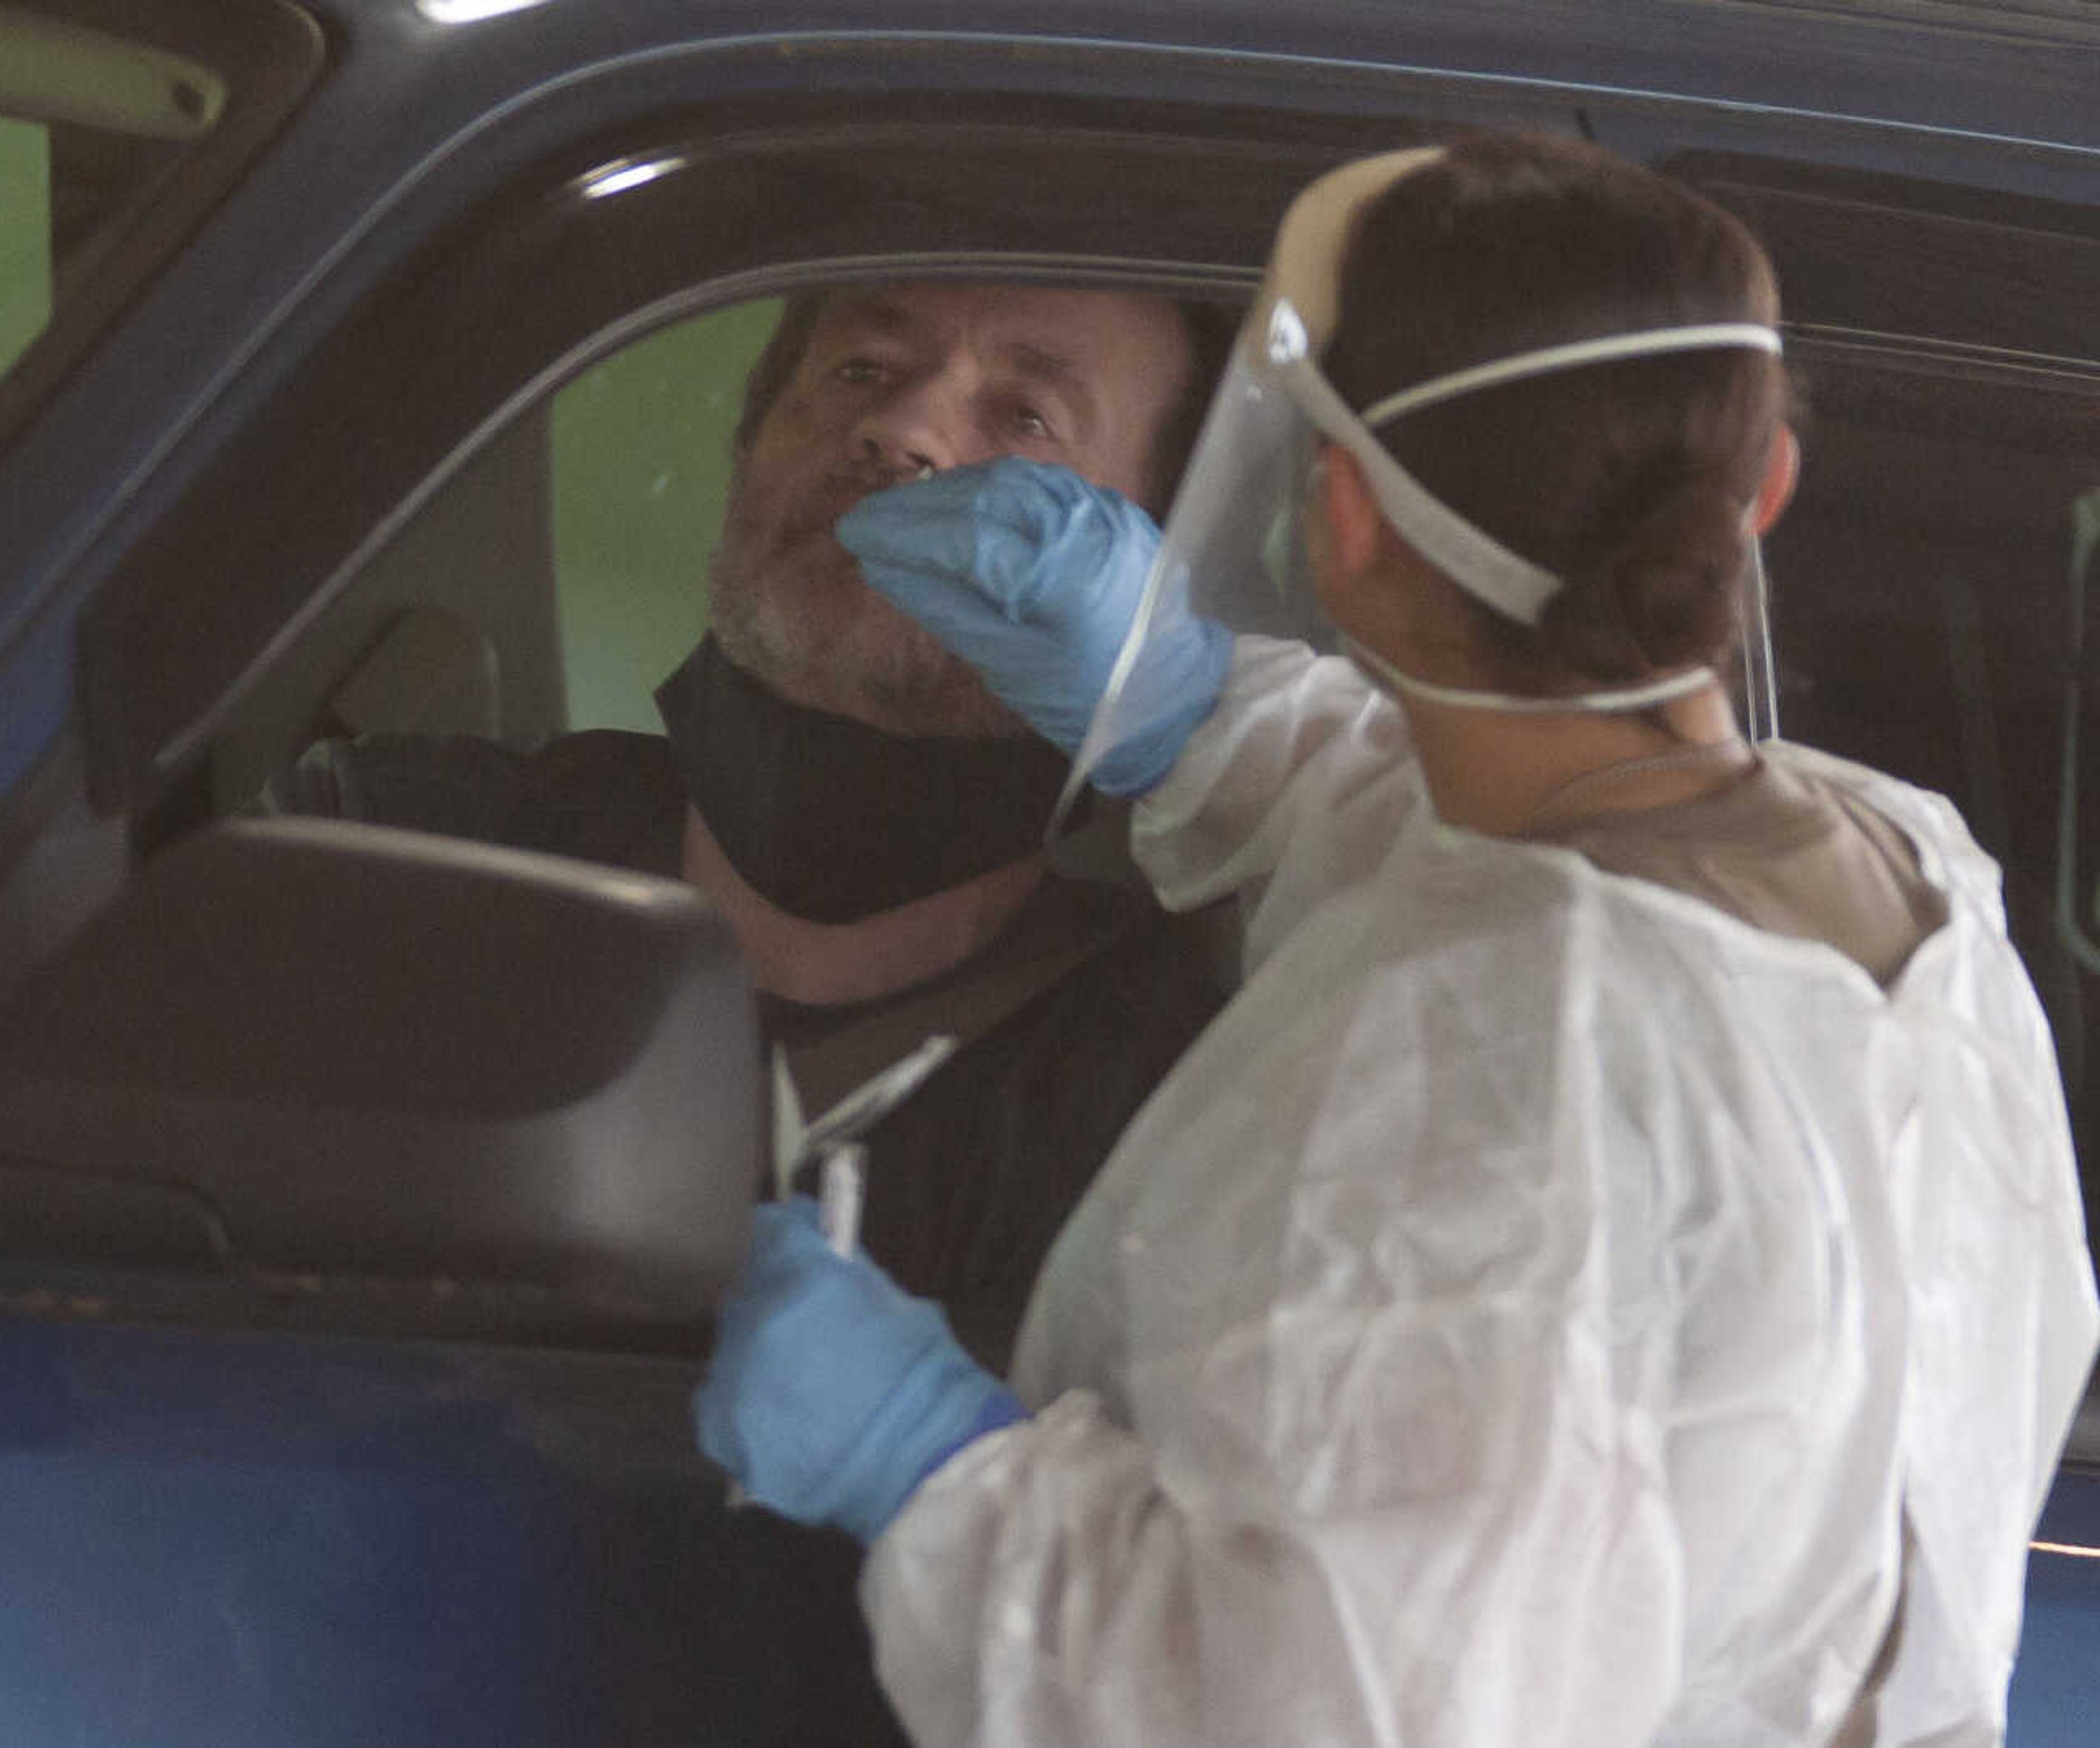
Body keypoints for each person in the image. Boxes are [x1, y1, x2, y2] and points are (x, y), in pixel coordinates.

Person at [693, 134, 2099, 1747]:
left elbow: (1317, 1713)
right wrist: (1187, 717)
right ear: (1762, 490)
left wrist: (929, 1467)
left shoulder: (1491, 1044)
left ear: (1341, 521)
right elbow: (1532, 845)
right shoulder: (1916, 876)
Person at [269, 280, 1234, 1360]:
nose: (901, 427)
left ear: (1153, 568)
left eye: (1026, 418)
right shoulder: (384, 857)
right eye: (861, 370)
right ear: (748, 448)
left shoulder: (1196, 1103)